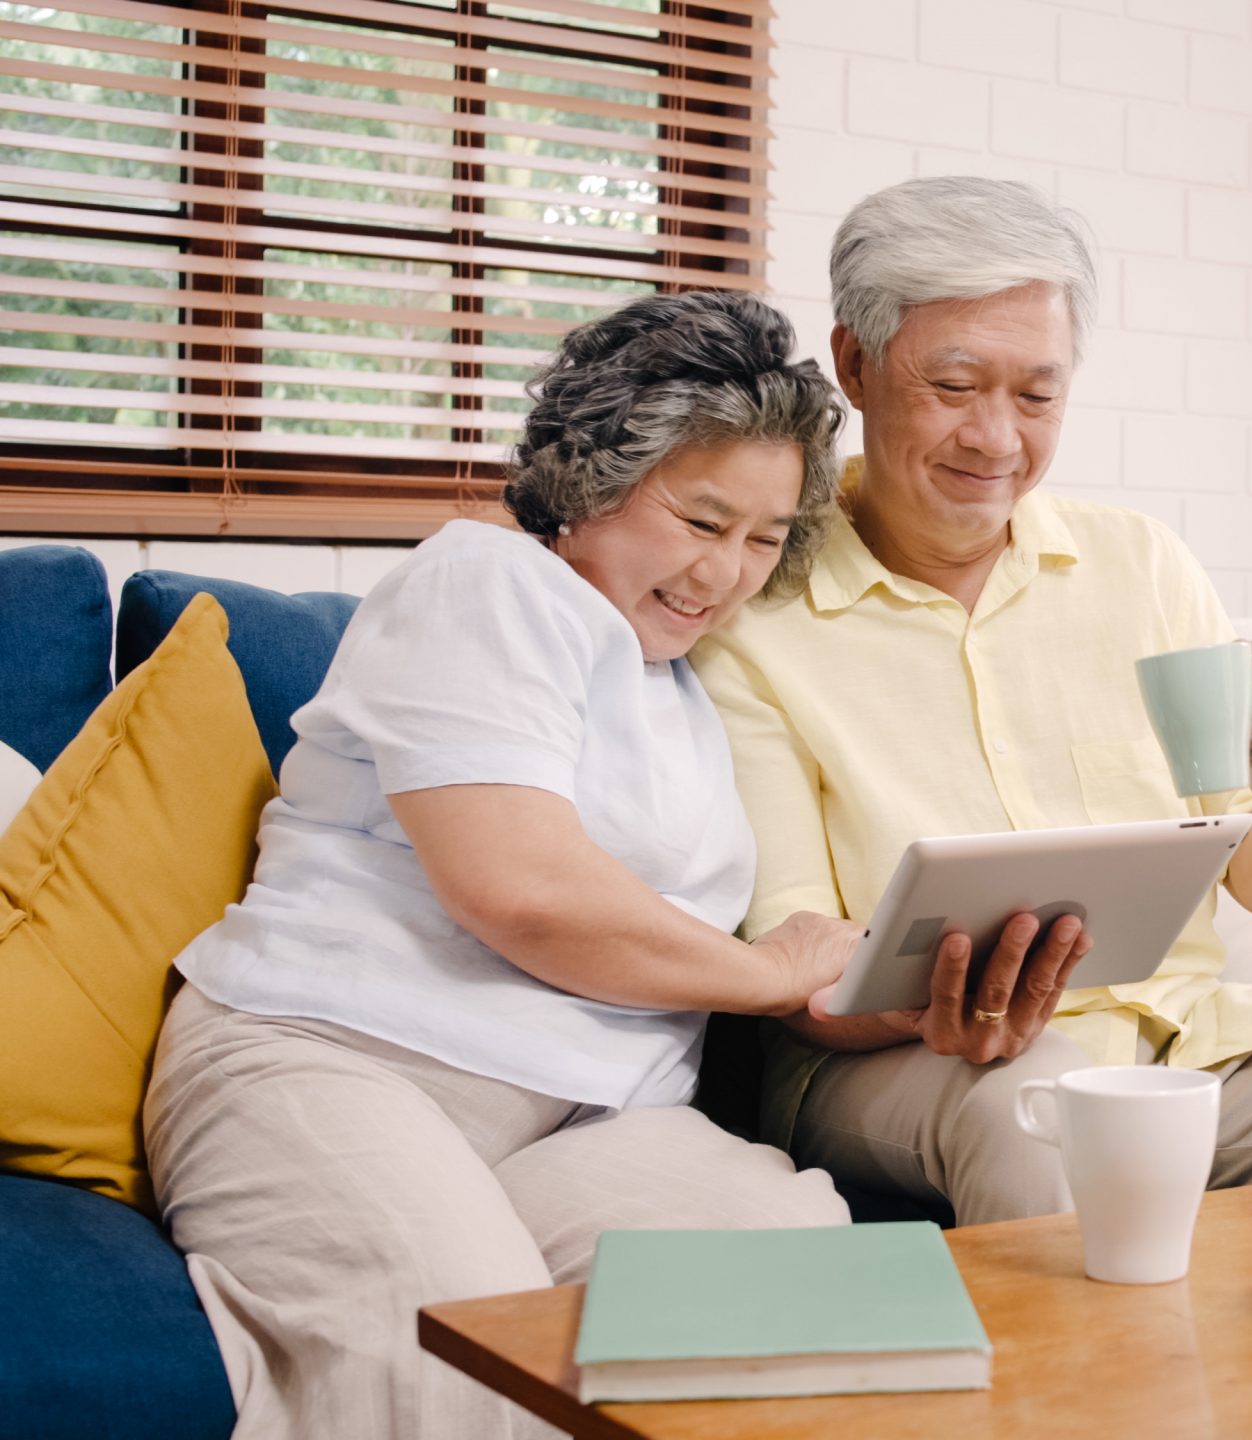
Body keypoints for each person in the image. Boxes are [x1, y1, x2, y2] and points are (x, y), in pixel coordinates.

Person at [691, 176, 1252, 1227]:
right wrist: (932, 1003)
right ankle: (1102, 1395)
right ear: (855, 363)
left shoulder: (1141, 566)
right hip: (916, 1061)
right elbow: (795, 971)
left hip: (1190, 1034)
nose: (996, 439)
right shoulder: (761, 609)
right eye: (954, 385)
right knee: (1044, 1106)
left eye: (1037, 395)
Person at [143, 291, 864, 1440]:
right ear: (590, 480)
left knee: (810, 1301)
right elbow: (519, 889)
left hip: (591, 1120)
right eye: (700, 519)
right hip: (340, 1060)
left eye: (765, 538)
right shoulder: (487, 583)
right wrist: (771, 971)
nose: (726, 573)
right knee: (462, 1367)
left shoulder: (682, 688)